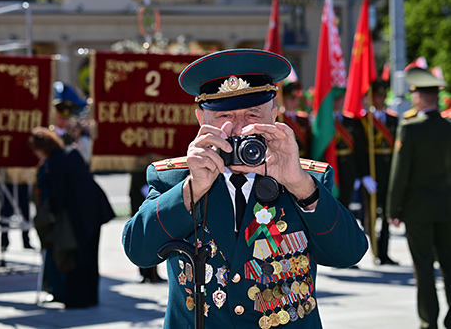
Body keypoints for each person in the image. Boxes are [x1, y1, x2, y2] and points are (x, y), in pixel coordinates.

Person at [122, 49, 368, 328]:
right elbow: (138, 252)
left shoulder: (305, 179)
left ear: (274, 114)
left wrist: (299, 184)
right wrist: (192, 189)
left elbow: (349, 254)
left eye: (253, 114)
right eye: (224, 116)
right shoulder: (173, 179)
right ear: (201, 119)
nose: (240, 129)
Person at [387, 68, 451, 329]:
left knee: (423, 267)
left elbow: (400, 174)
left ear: (419, 98)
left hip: (418, 210)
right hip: (447, 207)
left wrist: (393, 208)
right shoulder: (448, 128)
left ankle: (429, 321)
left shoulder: (411, 129)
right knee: (449, 263)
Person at [28, 127, 115, 308]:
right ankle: (91, 296)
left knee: (77, 257)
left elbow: (58, 195)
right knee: (91, 256)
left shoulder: (54, 163)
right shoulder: (71, 154)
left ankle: (77, 298)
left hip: (77, 215)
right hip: (94, 211)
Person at [361, 80, 399, 265]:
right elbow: (360, 150)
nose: (381, 99)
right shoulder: (364, 121)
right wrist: (364, 175)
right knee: (371, 214)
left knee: (387, 212)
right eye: (377, 96)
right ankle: (374, 250)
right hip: (372, 172)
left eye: (383, 96)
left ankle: (384, 252)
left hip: (388, 170)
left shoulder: (393, 119)